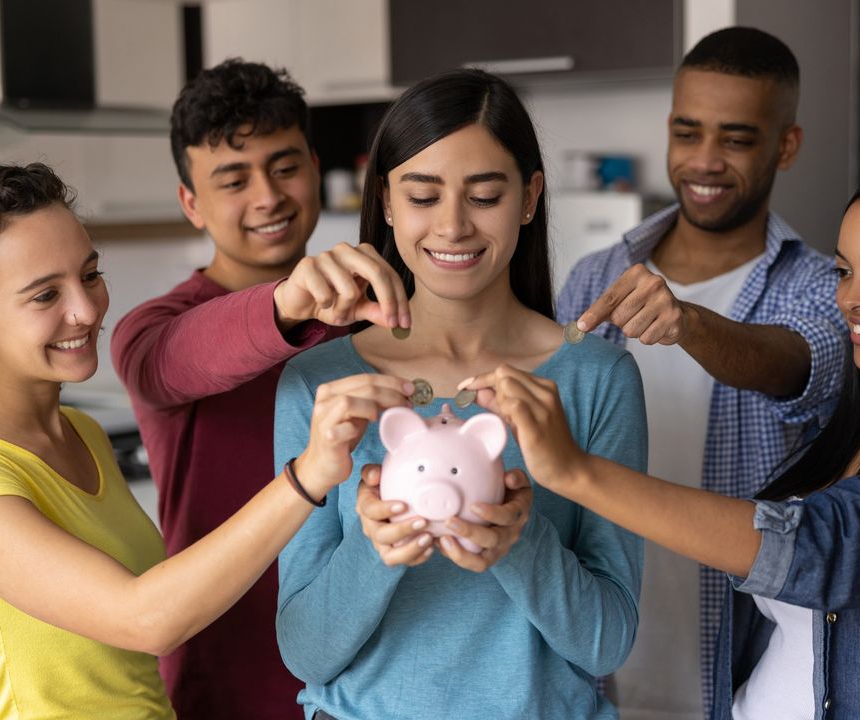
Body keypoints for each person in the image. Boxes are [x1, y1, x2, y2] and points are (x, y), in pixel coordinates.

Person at [467, 156, 860, 719]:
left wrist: (576, 471)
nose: (852, 297)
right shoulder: (843, 432)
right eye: (845, 270)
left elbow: (820, 550)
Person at [0, 162, 412, 719]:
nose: (85, 311)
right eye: (44, 296)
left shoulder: (79, 433)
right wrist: (308, 476)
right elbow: (146, 620)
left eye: (88, 275)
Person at [273, 68, 647, 720]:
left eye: (484, 196)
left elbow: (606, 643)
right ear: (386, 201)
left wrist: (518, 541)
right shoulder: (322, 386)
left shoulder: (595, 378)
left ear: (529, 198)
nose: (452, 226)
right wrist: (375, 547)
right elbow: (306, 653)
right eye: (422, 196)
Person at [554, 26, 846, 717]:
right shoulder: (597, 275)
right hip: (597, 672)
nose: (704, 161)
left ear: (787, 145)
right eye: (688, 133)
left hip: (743, 677)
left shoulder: (822, 287)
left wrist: (687, 322)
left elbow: (788, 363)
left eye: (737, 139)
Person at [110, 59, 410, 717]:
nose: (268, 196)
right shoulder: (151, 332)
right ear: (192, 202)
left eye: (283, 166)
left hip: (367, 681)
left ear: (313, 164)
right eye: (233, 179)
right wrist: (289, 302)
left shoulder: (377, 310)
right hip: (228, 683)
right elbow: (182, 357)